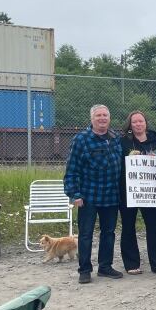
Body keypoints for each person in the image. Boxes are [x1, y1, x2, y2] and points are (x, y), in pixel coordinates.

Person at [63, 104, 123, 284]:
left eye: (105, 115)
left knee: (109, 233)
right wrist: (74, 194)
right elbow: (72, 169)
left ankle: (105, 267)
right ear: (92, 119)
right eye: (98, 116)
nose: (102, 118)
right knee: (86, 234)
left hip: (111, 195)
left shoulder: (115, 138)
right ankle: (85, 270)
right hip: (88, 196)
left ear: (109, 118)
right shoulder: (81, 139)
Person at [119, 111, 156, 275]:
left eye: (141, 121)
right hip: (129, 191)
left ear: (146, 123)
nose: (138, 124)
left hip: (151, 192)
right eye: (135, 122)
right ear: (130, 125)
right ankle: (131, 263)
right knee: (128, 227)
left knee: (154, 227)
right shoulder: (123, 142)